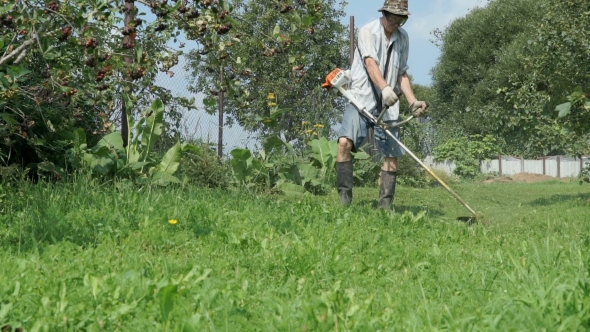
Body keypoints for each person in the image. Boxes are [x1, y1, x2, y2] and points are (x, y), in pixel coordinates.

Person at [336, 0, 428, 209]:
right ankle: (344, 200)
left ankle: (385, 207)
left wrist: (413, 101)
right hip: (361, 99)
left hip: (389, 106)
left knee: (392, 156)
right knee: (343, 143)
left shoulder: (403, 38)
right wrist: (385, 88)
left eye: (400, 20)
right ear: (384, 14)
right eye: (392, 19)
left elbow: (402, 72)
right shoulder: (368, 31)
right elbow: (370, 63)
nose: (395, 24)